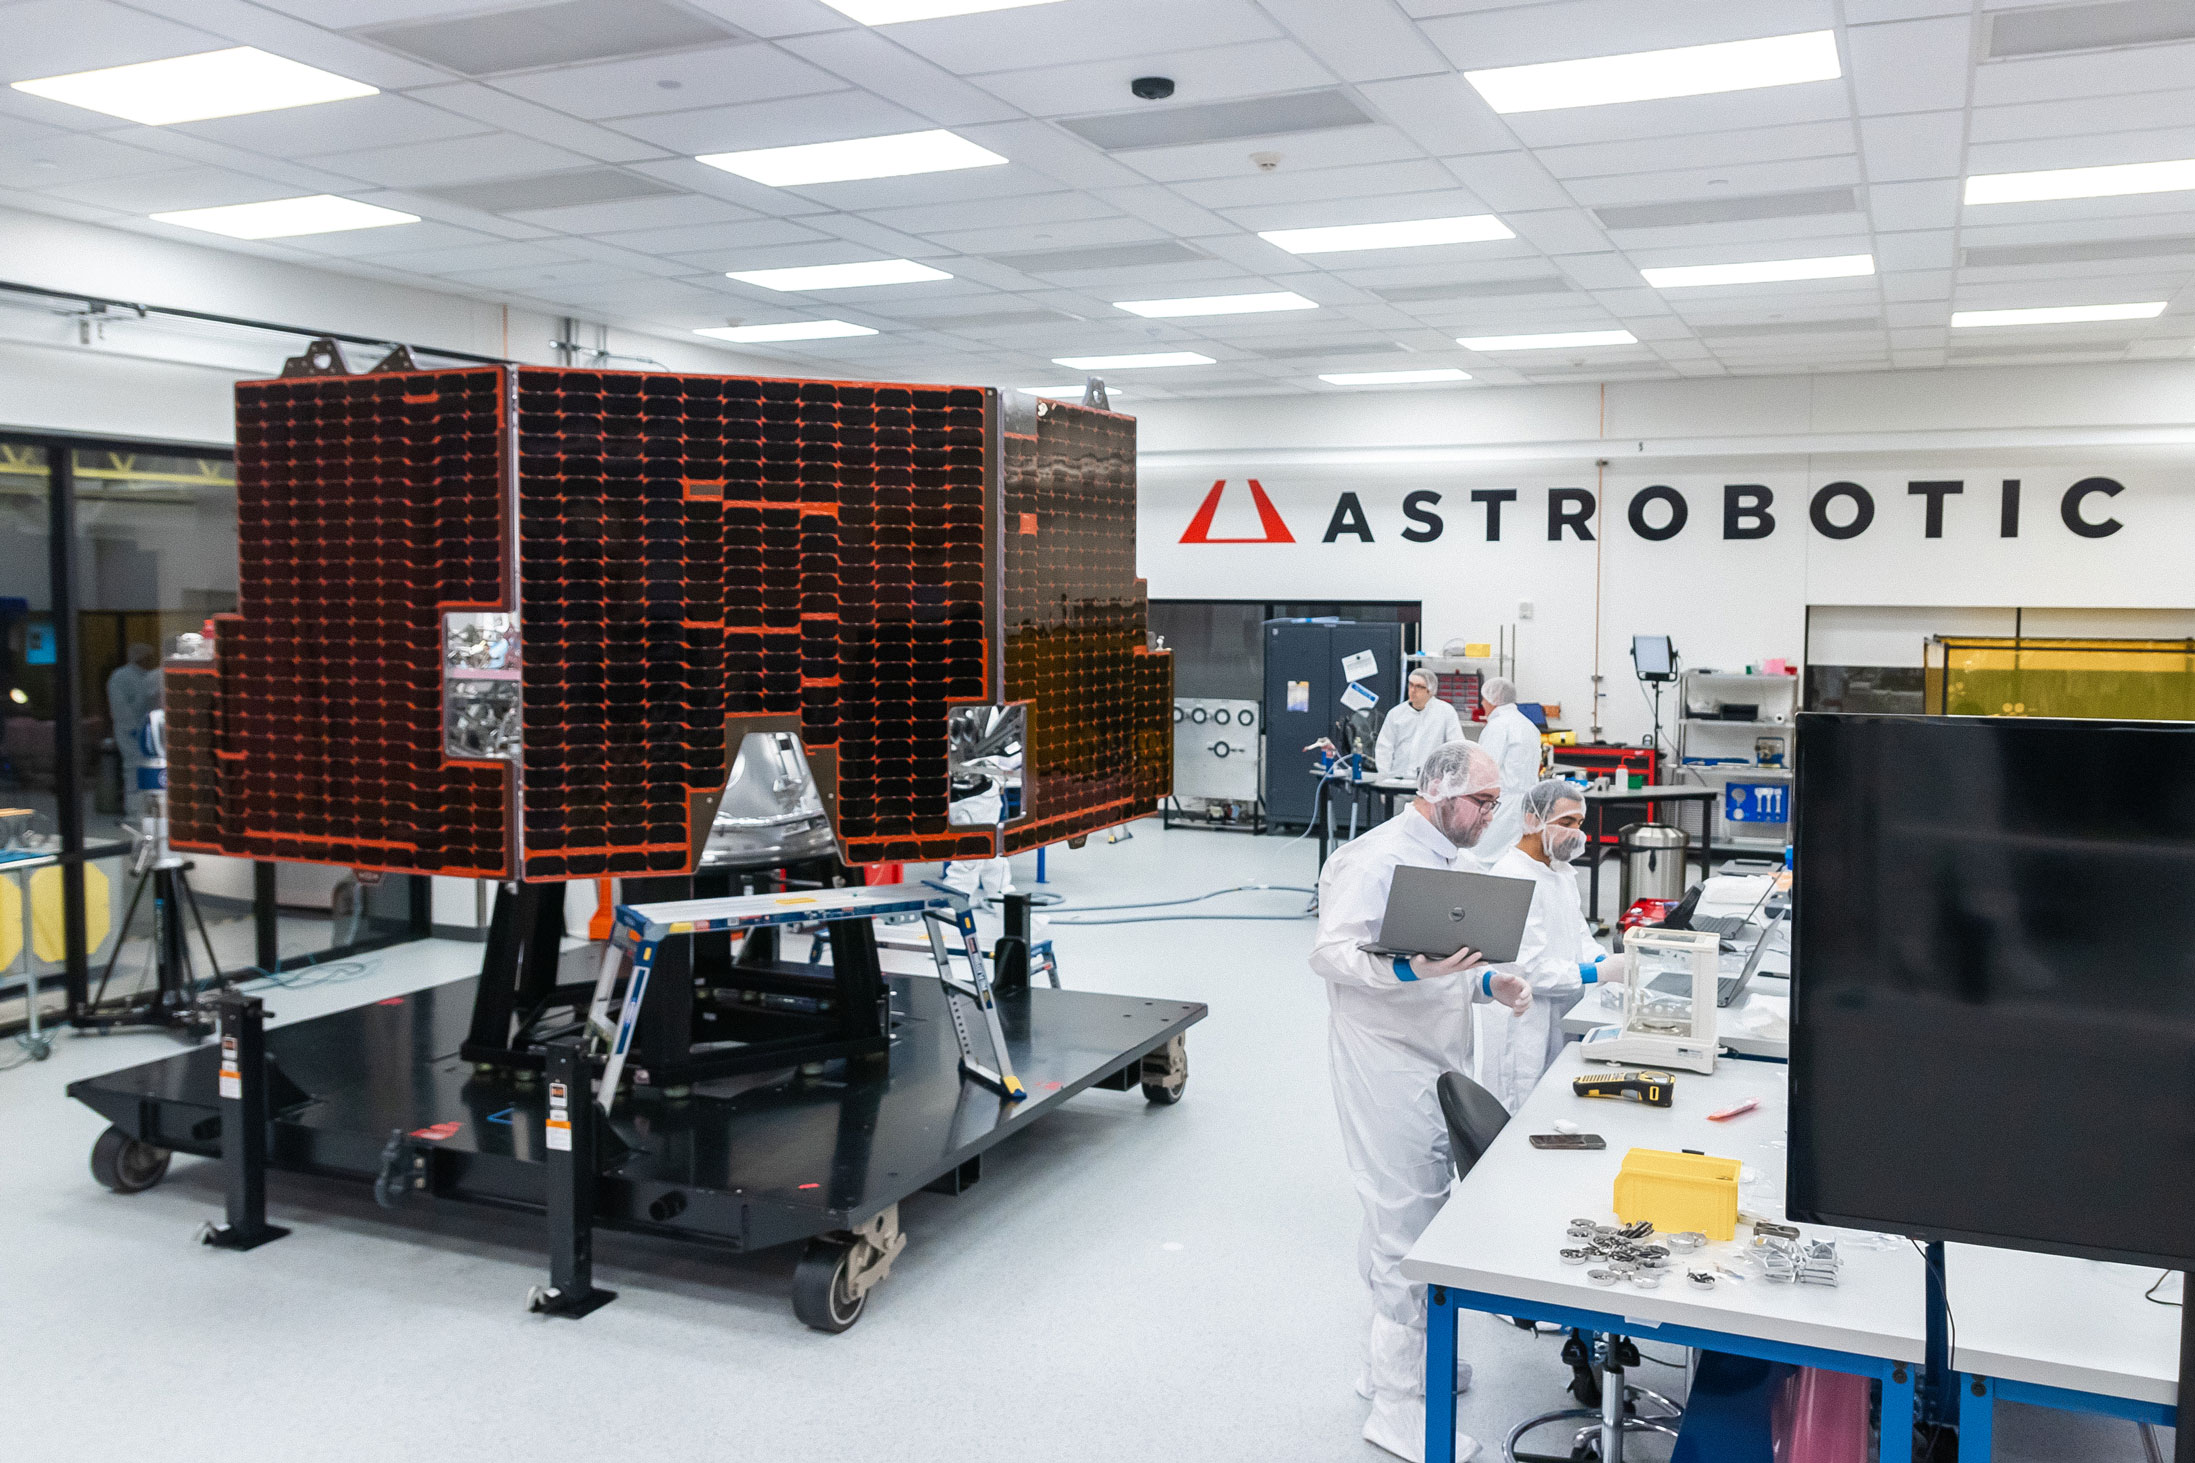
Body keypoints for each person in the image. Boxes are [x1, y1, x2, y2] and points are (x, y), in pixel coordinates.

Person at [1311, 740, 1535, 1462]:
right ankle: (1397, 1408)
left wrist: (1484, 983)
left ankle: (1399, 1363)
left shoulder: (1450, 862)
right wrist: (1414, 966)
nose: (1489, 815)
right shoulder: (1372, 859)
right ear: (1439, 792)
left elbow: (1442, 962)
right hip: (1383, 1059)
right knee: (1403, 1220)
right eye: (1481, 801)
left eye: (1496, 802)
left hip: (1434, 1052)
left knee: (1413, 1208)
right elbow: (1332, 954)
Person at [1474, 779, 1631, 1112]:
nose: (1576, 833)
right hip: (1524, 1023)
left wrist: (1608, 961)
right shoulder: (1511, 877)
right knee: (1521, 1110)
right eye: (1566, 823)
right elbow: (1525, 970)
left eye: (1579, 824)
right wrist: (1597, 971)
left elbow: (1578, 935)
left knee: (1555, 1104)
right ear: (1532, 820)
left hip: (1563, 1009)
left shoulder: (1559, 872)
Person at [1472, 677, 1541, 860]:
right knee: (1514, 858)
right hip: (1526, 805)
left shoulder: (1498, 726)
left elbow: (1485, 768)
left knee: (1484, 858)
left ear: (1494, 699)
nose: (1482, 703)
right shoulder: (1529, 725)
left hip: (1501, 803)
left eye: (1483, 699)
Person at [1373, 669, 1464, 782]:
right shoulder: (1396, 713)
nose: (1412, 690)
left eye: (1419, 686)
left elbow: (1456, 747)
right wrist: (1384, 778)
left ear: (1430, 690)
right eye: (1410, 685)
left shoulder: (1445, 712)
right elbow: (1384, 747)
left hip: (1432, 783)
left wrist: (1449, 780)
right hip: (1398, 780)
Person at [106, 643, 161, 824]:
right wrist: (133, 729)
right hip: (130, 731)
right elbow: (119, 706)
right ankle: (133, 812)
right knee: (132, 769)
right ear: (141, 657)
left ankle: (144, 810)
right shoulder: (121, 676)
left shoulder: (147, 676)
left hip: (145, 731)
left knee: (146, 769)